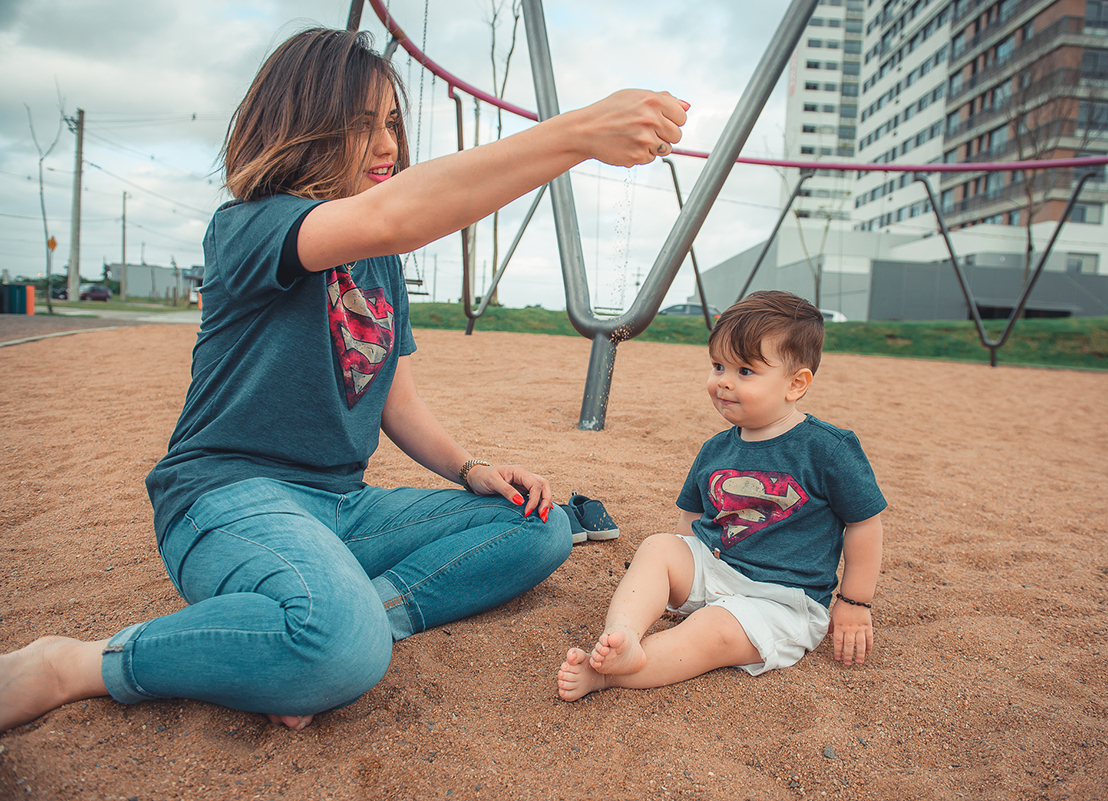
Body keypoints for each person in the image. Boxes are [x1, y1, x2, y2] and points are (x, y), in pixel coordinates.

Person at [0, 27, 689, 733]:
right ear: (301, 127)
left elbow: (396, 393)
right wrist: (577, 133)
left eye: (392, 121)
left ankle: (319, 633)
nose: (387, 144)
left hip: (341, 508)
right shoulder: (252, 227)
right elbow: (396, 217)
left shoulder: (379, 263)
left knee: (541, 525)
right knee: (341, 648)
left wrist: (470, 467)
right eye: (362, 125)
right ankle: (77, 662)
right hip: (226, 501)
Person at [557, 291, 886, 701]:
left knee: (711, 632)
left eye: (745, 371)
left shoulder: (827, 449)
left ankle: (608, 673)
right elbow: (690, 522)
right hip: (718, 569)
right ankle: (622, 632)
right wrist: (682, 579)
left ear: (795, 384)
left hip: (782, 600)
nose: (724, 381)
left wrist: (855, 602)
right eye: (718, 366)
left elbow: (864, 524)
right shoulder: (716, 448)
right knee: (659, 548)